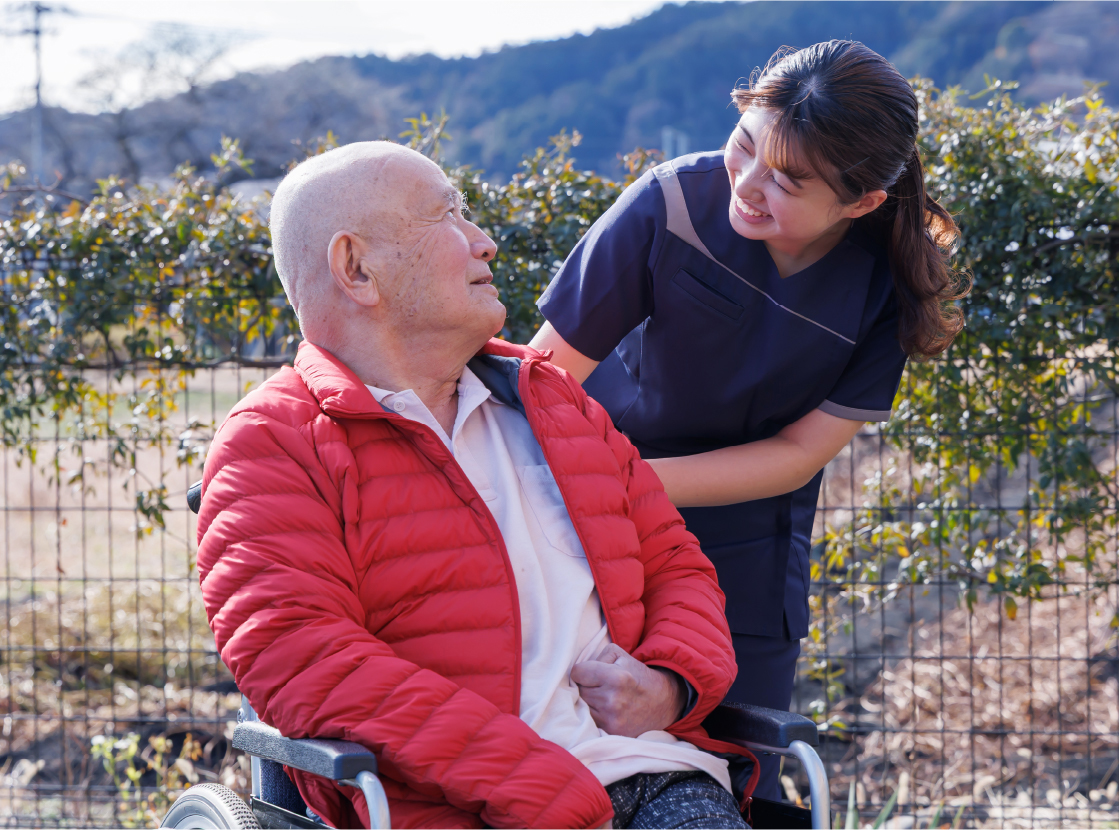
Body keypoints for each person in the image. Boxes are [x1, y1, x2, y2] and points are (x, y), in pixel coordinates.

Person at [195, 141, 755, 829]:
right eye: (448, 217)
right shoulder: (272, 441)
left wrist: (671, 682)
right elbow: (305, 656)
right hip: (455, 807)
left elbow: (675, 563)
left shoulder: (550, 399)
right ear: (356, 267)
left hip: (656, 778)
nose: (484, 243)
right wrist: (542, 789)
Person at [532, 40, 967, 800]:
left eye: (789, 179)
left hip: (743, 547)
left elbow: (799, 453)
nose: (749, 185)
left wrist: (631, 484)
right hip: (588, 526)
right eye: (744, 147)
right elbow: (544, 383)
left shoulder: (884, 288)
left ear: (860, 202)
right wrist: (597, 492)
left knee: (738, 777)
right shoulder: (666, 204)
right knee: (579, 771)